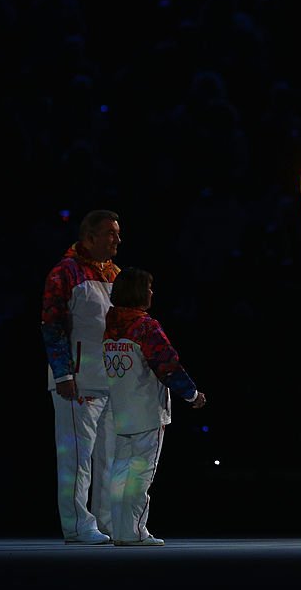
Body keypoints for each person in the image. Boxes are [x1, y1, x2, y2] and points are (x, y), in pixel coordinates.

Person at [103, 268, 206, 546]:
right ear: (137, 291)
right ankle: (135, 531)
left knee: (121, 472)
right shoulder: (145, 327)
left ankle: (121, 530)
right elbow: (168, 366)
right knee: (141, 473)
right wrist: (192, 395)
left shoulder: (110, 324)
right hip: (147, 412)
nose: (152, 292)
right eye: (148, 287)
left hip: (120, 412)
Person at [42, 210, 121, 544]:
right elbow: (52, 325)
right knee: (77, 458)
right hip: (77, 379)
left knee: (108, 458)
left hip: (112, 381)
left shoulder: (115, 274)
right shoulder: (65, 272)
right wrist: (63, 373)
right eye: (110, 233)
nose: (117, 239)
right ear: (89, 237)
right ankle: (77, 524)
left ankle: (105, 521)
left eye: (118, 233)